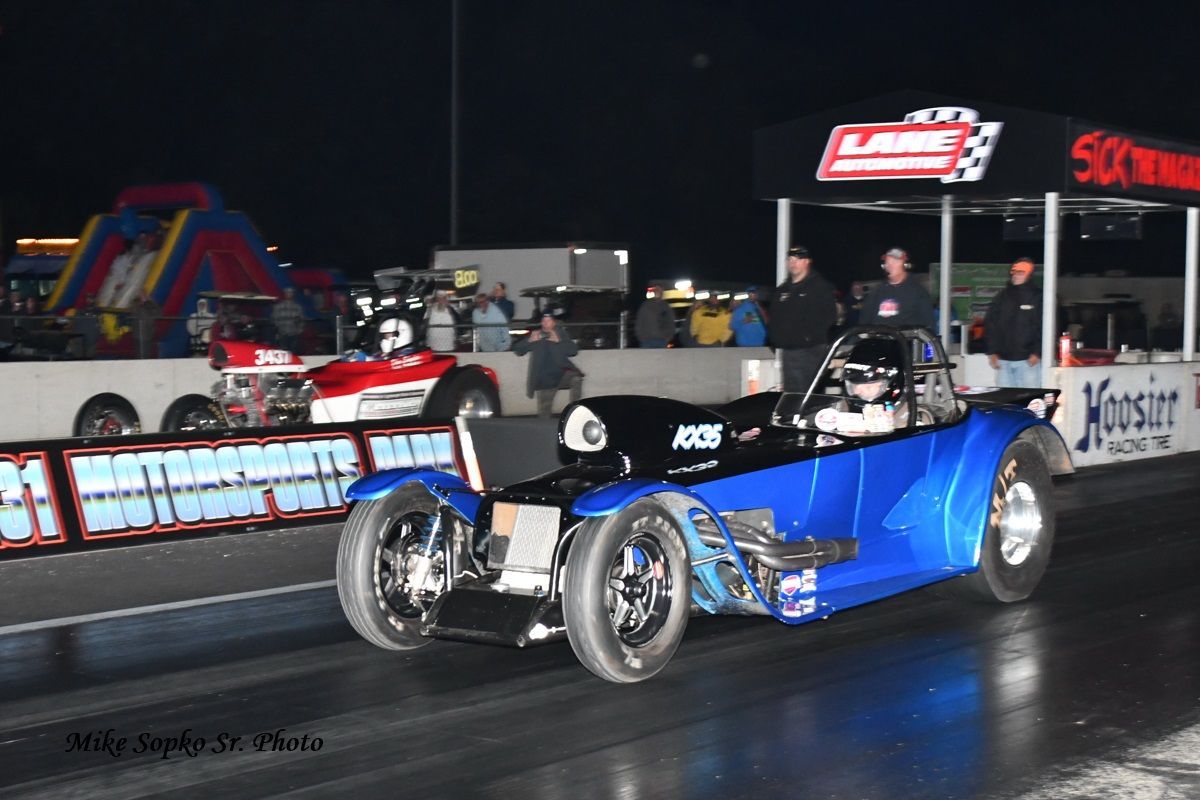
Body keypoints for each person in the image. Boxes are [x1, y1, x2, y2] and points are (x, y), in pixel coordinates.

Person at [769, 245, 837, 393]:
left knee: (811, 395)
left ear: (807, 262)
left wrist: (809, 337)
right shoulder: (782, 290)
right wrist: (775, 339)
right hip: (788, 351)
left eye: (798, 259)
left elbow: (830, 316)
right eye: (790, 259)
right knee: (791, 395)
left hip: (811, 351)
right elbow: (773, 318)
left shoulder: (819, 287)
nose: (793, 263)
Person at [513, 307, 583, 418]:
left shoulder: (560, 333)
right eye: (543, 321)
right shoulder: (536, 335)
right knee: (544, 415)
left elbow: (573, 351)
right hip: (544, 380)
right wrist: (529, 340)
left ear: (554, 322)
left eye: (548, 320)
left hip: (562, 375)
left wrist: (558, 342)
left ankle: (574, 412)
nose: (545, 323)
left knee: (577, 378)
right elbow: (518, 350)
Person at [984, 257, 1042, 387]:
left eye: (1020, 272)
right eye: (1014, 271)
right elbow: (991, 324)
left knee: (1030, 402)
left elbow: (1044, 326)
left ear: (1029, 275)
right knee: (1006, 403)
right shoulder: (1002, 296)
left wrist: (1038, 352)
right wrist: (992, 352)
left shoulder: (1038, 297)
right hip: (1003, 362)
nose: (1015, 275)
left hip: (1028, 361)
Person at [859, 247, 935, 330]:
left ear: (905, 265)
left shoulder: (918, 292)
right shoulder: (876, 292)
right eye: (887, 262)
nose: (889, 265)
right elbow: (863, 324)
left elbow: (928, 327)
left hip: (906, 341)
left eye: (894, 261)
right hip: (878, 341)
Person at [271, 287, 305, 353]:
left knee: (294, 352)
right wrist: (279, 329)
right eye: (287, 293)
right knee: (283, 352)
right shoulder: (278, 306)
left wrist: (299, 330)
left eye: (291, 293)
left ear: (293, 294)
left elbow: (301, 320)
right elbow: (274, 319)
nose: (289, 294)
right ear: (284, 294)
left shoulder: (298, 307)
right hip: (283, 334)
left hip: (294, 334)